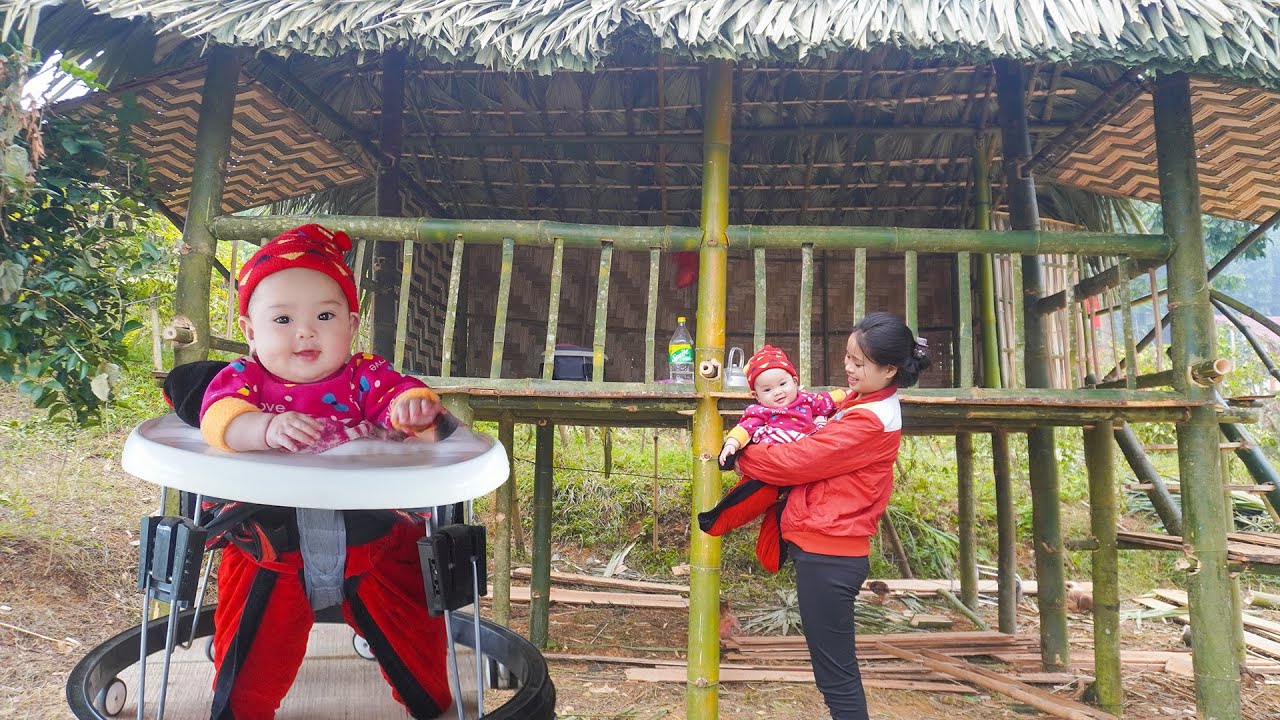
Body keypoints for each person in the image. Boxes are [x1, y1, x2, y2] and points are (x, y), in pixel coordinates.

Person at [197, 223, 453, 720]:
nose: (305, 331)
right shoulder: (244, 379)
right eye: (283, 319)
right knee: (246, 670)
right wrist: (262, 430)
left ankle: (431, 701)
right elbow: (218, 419)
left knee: (419, 648)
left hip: (375, 534)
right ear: (250, 331)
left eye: (325, 315)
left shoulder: (365, 374)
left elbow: (404, 395)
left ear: (351, 324)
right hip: (269, 541)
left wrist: (414, 410)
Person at [734, 312, 930, 720]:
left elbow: (794, 462)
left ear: (889, 369)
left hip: (831, 552)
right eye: (848, 357)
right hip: (825, 545)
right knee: (833, 670)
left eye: (859, 362)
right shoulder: (862, 403)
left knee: (836, 675)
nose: (848, 367)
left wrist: (744, 453)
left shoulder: (869, 420)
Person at [716, 344, 846, 469]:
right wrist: (731, 443)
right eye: (767, 390)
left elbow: (826, 400)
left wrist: (846, 394)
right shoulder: (761, 411)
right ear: (756, 396)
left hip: (807, 448)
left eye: (782, 384)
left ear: (795, 382)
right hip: (777, 455)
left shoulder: (805, 399)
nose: (777, 392)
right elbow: (744, 428)